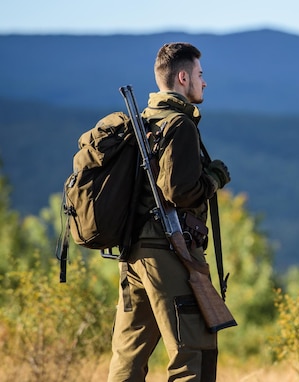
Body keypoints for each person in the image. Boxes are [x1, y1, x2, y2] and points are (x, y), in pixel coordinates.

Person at [108, 42, 231, 381]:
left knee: (128, 355)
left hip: (134, 254)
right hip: (168, 252)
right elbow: (179, 192)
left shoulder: (142, 120)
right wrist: (214, 178)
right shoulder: (179, 125)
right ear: (182, 77)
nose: (204, 82)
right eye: (200, 75)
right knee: (189, 353)